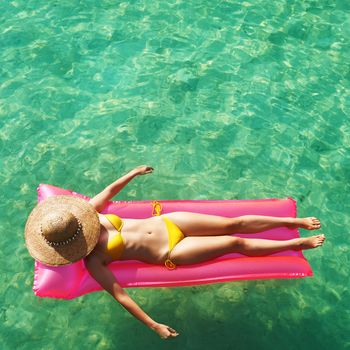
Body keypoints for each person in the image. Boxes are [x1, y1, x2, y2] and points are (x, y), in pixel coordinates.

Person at [24, 165, 325, 340]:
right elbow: (121, 296)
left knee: (234, 222)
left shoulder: (90, 214)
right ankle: (294, 244)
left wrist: (134, 172)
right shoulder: (94, 260)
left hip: (169, 221)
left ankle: (293, 221)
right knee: (236, 243)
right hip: (172, 249)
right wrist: (153, 325)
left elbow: (110, 190)